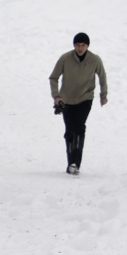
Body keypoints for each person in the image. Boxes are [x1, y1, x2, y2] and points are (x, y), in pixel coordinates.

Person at [49, 31, 109, 175]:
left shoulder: (95, 60)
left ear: (87, 46)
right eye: (77, 45)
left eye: (83, 45)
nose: (80, 48)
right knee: (70, 130)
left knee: (79, 128)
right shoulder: (65, 58)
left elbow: (102, 77)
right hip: (67, 100)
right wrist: (57, 97)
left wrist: (103, 95)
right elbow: (53, 77)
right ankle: (71, 163)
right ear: (74, 45)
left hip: (85, 99)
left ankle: (76, 163)